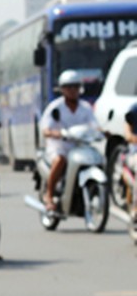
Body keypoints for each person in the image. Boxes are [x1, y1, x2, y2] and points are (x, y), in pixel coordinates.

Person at [39, 69, 101, 211]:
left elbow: (95, 125)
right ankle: (49, 195)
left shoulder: (85, 107)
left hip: (79, 147)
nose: (73, 90)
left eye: (75, 87)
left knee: (97, 158)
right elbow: (45, 129)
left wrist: (103, 132)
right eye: (69, 87)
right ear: (62, 89)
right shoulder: (55, 107)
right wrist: (57, 133)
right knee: (60, 160)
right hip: (60, 146)